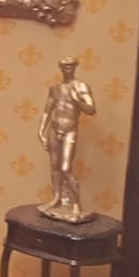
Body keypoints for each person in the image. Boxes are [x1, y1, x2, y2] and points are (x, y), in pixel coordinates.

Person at [38, 56, 98, 223]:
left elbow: (91, 109)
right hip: (53, 130)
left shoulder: (81, 86)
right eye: (65, 67)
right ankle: (57, 198)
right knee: (54, 166)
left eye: (71, 66)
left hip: (69, 131)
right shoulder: (55, 88)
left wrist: (77, 100)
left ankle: (76, 203)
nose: (68, 69)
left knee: (65, 168)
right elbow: (47, 111)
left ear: (75, 67)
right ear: (61, 68)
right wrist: (41, 131)